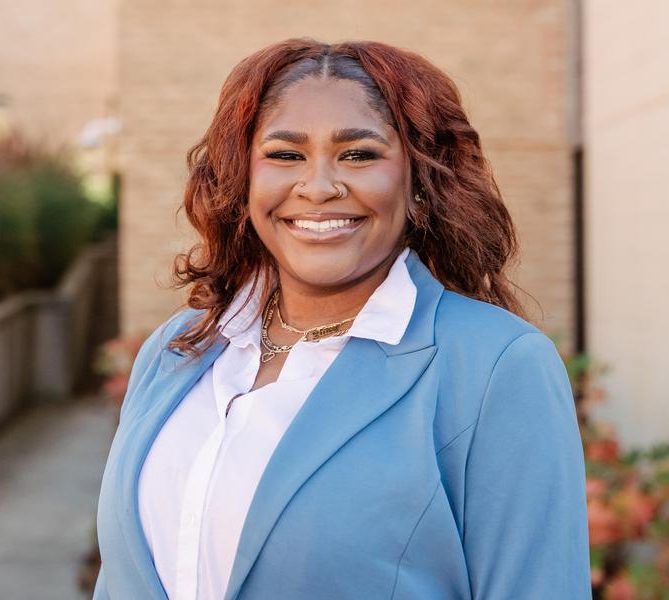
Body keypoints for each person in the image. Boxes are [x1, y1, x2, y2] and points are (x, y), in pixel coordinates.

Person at [94, 38, 591, 599]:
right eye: (285, 155)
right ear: (243, 180)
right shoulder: (177, 347)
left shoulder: (496, 366)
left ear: (419, 183)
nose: (319, 186)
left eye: (359, 154)